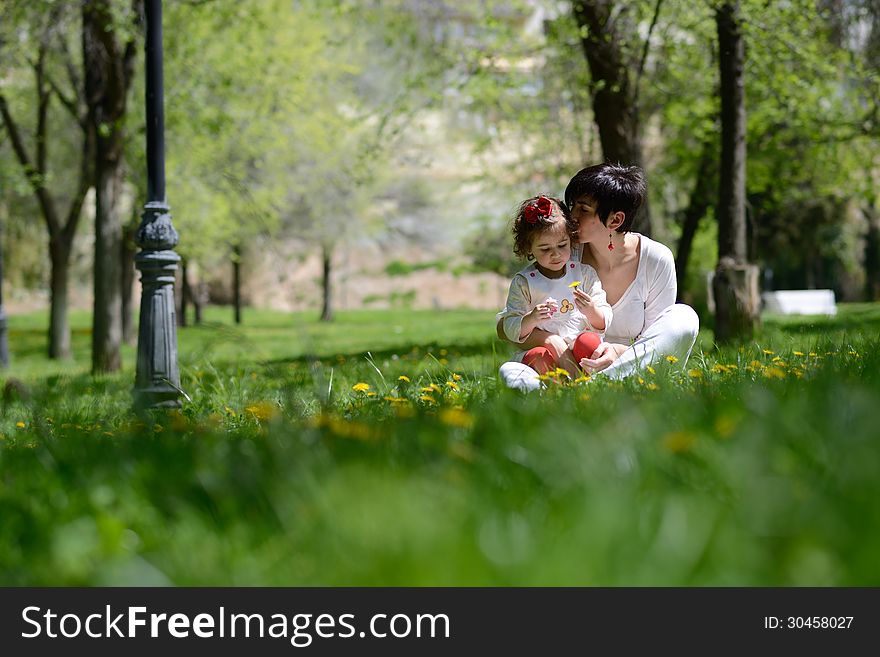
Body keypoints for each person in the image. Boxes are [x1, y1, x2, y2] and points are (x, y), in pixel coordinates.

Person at [498, 164, 699, 392]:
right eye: (572, 206)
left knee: (684, 316)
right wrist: (550, 341)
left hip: (630, 369)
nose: (570, 216)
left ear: (614, 220)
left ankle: (594, 387)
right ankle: (575, 391)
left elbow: (656, 341)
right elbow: (506, 326)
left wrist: (616, 353)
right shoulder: (563, 253)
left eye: (582, 210)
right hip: (566, 363)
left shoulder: (656, 259)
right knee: (511, 372)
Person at [495, 194, 611, 377]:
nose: (556, 255)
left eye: (562, 245)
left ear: (571, 239)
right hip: (545, 349)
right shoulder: (525, 282)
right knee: (538, 357)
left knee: (589, 342)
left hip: (578, 346)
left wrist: (591, 310)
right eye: (545, 249)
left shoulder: (584, 274)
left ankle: (589, 380)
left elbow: (604, 319)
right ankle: (557, 389)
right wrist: (531, 318)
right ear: (528, 247)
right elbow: (509, 327)